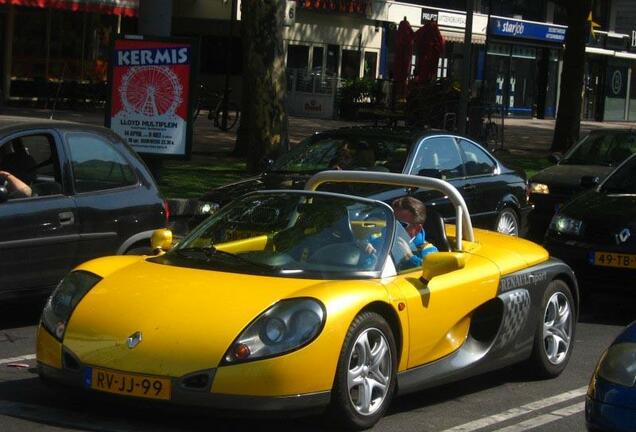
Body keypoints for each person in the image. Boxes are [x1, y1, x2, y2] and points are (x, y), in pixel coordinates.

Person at [392, 196, 438, 267]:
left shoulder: (428, 251)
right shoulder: (383, 240)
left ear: (417, 229)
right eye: (393, 223)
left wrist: (410, 257)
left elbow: (431, 271)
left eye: (402, 224)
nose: (396, 228)